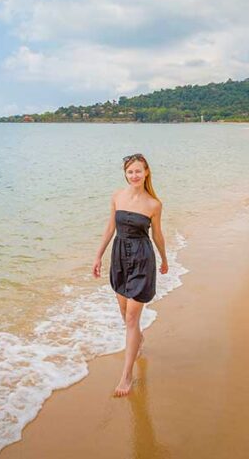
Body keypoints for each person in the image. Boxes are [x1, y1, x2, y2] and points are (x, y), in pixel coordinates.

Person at [92, 152, 169, 397]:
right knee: (125, 315)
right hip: (119, 257)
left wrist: (164, 258)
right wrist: (98, 255)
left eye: (138, 170)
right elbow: (110, 227)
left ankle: (126, 375)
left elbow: (157, 234)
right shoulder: (117, 196)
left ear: (146, 172)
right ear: (125, 174)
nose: (134, 175)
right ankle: (138, 340)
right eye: (130, 171)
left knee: (133, 319)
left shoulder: (153, 204)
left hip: (141, 258)